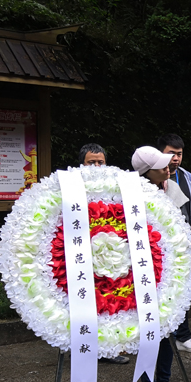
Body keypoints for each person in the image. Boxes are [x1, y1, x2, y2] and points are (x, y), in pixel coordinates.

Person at [131, 146, 187, 382]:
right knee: (150, 334)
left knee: (169, 332)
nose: (168, 168)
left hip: (168, 274)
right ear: (146, 172)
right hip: (144, 276)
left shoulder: (168, 190)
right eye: (162, 166)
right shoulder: (132, 197)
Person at [78, 143, 130, 366]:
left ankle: (111, 347)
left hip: (112, 252)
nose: (97, 166)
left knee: (111, 299)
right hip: (84, 252)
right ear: (82, 164)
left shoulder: (116, 188)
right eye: (92, 162)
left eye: (101, 162)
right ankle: (83, 344)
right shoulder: (73, 188)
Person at [157, 133, 191, 354]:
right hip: (158, 246)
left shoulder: (188, 177)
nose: (176, 159)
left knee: (182, 288)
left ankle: (183, 335)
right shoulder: (150, 177)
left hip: (184, 244)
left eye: (179, 154)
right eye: (171, 154)